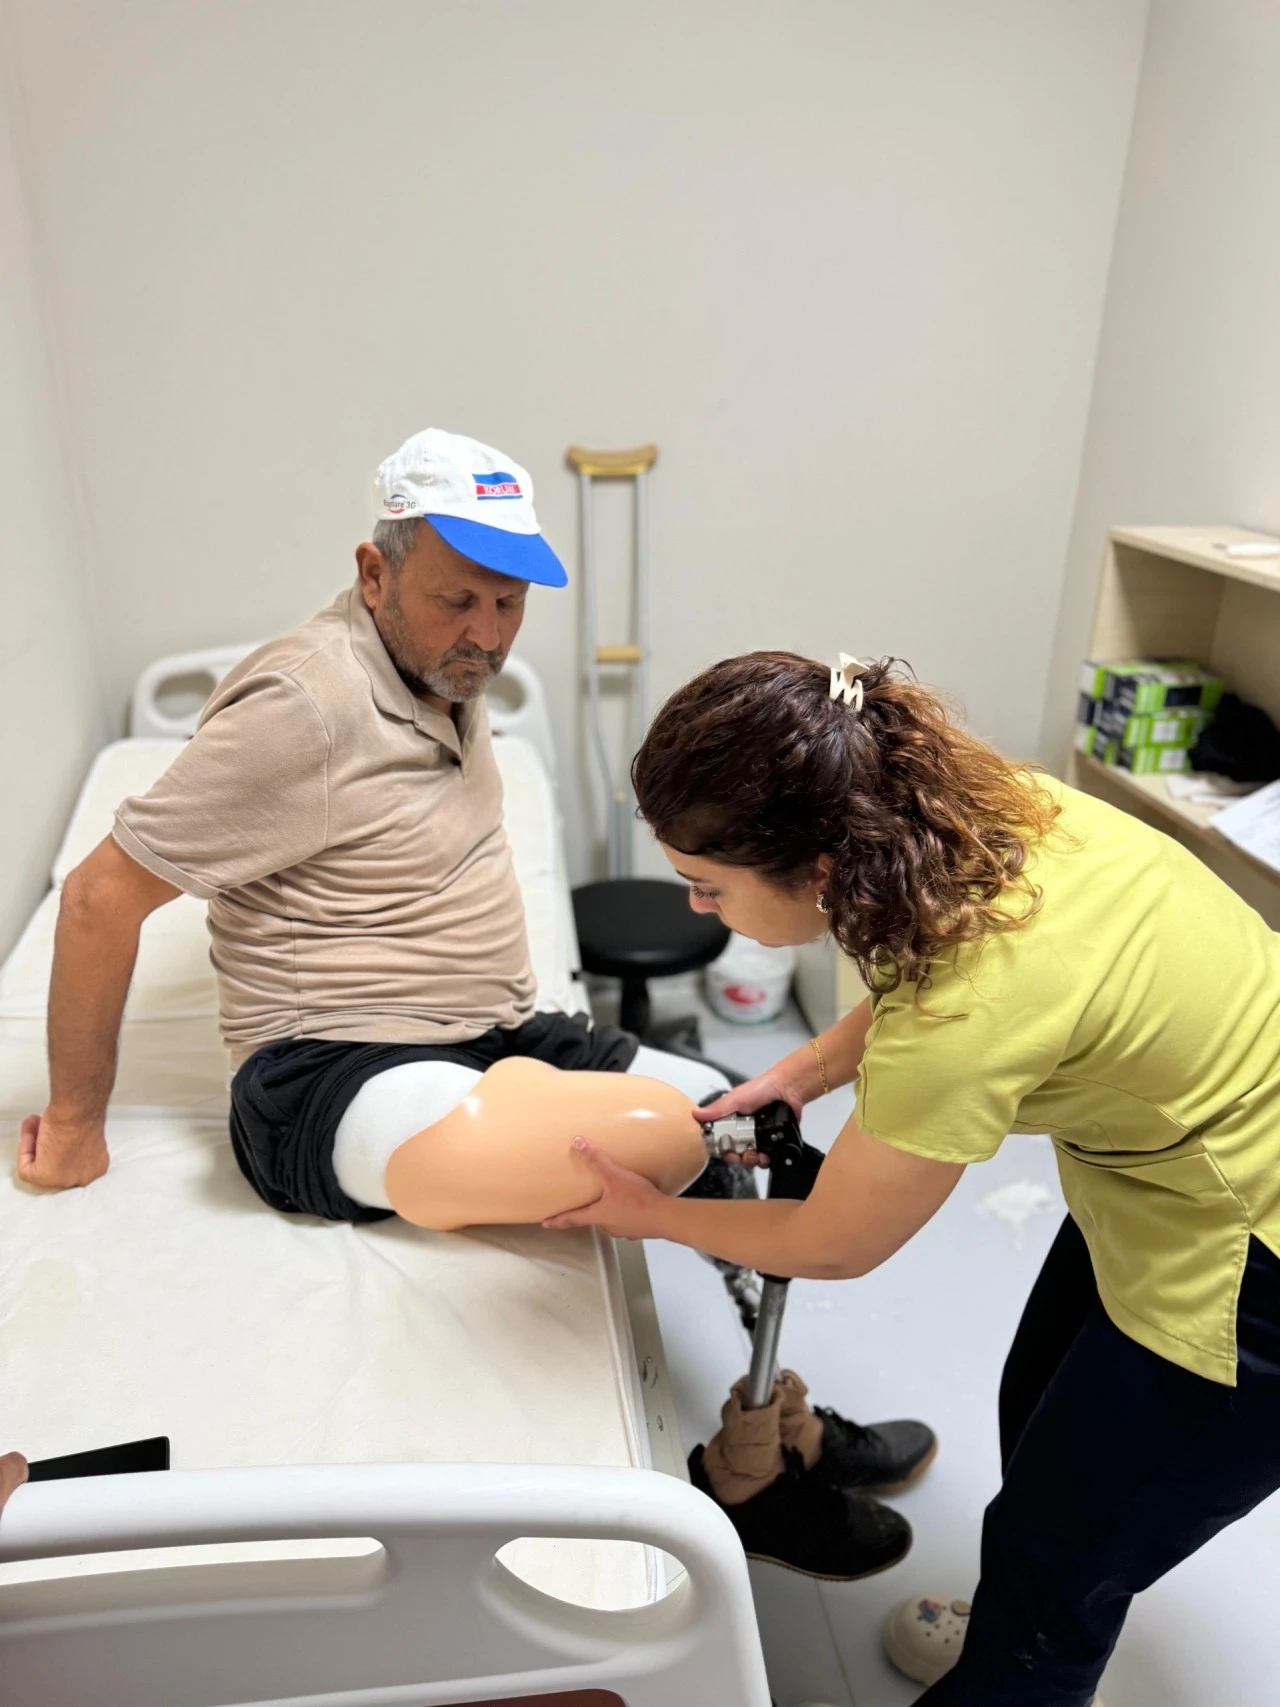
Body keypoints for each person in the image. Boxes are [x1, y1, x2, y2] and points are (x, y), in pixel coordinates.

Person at [14, 432, 933, 1579]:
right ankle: (748, 1480)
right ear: (373, 572)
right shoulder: (301, 706)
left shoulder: (442, 678)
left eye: (508, 605)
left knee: (759, 1134)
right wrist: (79, 1119)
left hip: (488, 1035)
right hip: (330, 1073)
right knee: (671, 1137)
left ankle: (765, 1434)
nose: (488, 636)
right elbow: (101, 894)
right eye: (457, 599)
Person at [546, 649, 1280, 1707]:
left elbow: (834, 1240)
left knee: (1059, 1555)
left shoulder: (963, 1009)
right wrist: (805, 1068)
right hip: (1176, 1171)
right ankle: (1015, 1621)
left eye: (708, 886)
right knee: (1039, 1412)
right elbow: (915, 967)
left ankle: (1019, 1659)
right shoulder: (966, 811)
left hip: (1253, 1248)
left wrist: (649, 1213)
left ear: (818, 869)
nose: (699, 908)